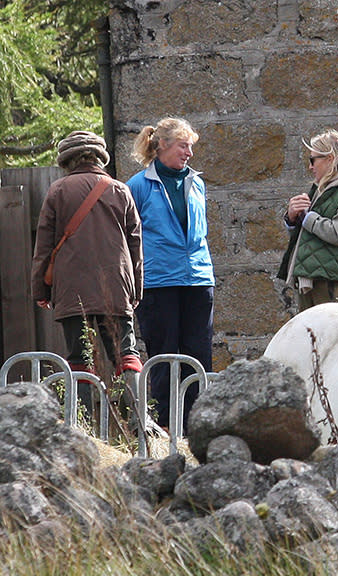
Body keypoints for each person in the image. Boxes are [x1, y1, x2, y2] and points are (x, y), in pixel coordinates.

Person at [31, 131, 143, 415]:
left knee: (79, 359)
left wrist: (40, 290)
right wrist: (136, 290)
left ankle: (82, 426)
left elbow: (43, 246)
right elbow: (135, 244)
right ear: (99, 157)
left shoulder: (57, 191)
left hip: (72, 289)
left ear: (67, 160)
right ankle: (137, 422)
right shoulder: (120, 190)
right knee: (125, 355)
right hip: (116, 285)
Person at [127, 117, 214, 430]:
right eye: (183, 145)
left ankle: (198, 425)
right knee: (163, 355)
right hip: (159, 281)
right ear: (161, 145)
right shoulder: (138, 186)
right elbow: (127, 236)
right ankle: (165, 425)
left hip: (198, 279)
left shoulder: (197, 183)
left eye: (191, 146)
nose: (189, 152)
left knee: (199, 353)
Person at [278, 129, 338, 311]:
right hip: (311, 279)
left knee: (337, 339)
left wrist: (306, 216)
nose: (310, 166)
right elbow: (306, 235)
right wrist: (292, 218)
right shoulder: (319, 190)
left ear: (330, 158)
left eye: (313, 159)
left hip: (336, 283)